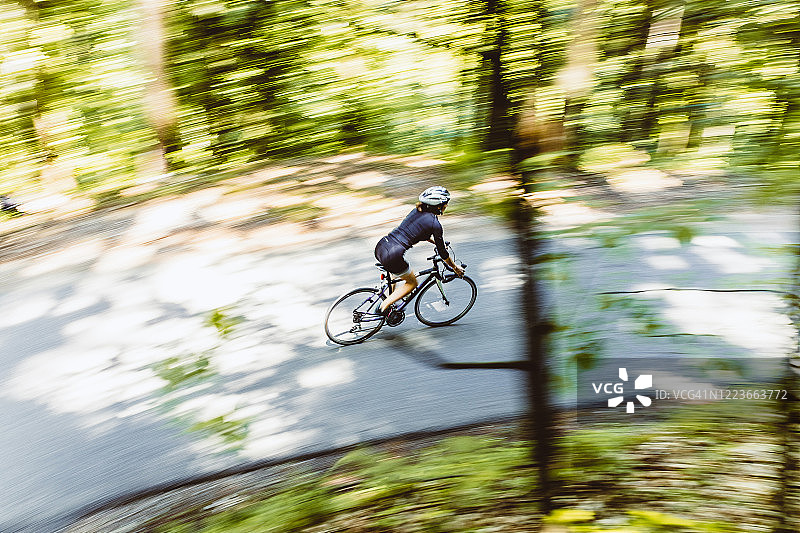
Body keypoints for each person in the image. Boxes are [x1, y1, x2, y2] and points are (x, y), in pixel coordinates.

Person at [374, 186, 464, 315]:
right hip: (393, 255)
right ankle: (383, 307)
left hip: (382, 245)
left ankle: (390, 303)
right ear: (439, 205)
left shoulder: (417, 211)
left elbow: (419, 233)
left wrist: (438, 243)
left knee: (396, 274)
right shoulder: (435, 224)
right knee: (412, 283)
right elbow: (443, 254)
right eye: (445, 203)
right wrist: (455, 268)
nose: (446, 206)